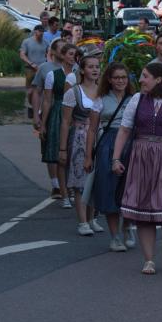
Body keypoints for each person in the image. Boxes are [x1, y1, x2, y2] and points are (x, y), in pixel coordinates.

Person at [111, 62, 162, 275]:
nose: (141, 80)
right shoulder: (137, 100)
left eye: (145, 76)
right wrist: (116, 158)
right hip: (141, 157)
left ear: (158, 80)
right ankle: (148, 259)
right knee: (143, 208)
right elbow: (125, 130)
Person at [90, 62, 136, 251]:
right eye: (116, 77)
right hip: (108, 143)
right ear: (109, 79)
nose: (120, 81)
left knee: (131, 188)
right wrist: (87, 156)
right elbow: (92, 129)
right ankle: (114, 236)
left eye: (123, 77)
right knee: (109, 188)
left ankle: (127, 225)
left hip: (131, 143)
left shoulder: (135, 99)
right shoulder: (100, 99)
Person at [59, 54, 103, 236]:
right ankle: (82, 221)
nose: (94, 70)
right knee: (80, 180)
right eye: (90, 66)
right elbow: (65, 121)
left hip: (100, 136)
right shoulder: (74, 92)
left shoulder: (103, 91)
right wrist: (62, 148)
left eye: (97, 66)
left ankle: (93, 218)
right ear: (82, 70)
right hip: (79, 137)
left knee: (96, 180)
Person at [40, 43, 79, 208]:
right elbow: (47, 100)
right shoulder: (52, 75)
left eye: (75, 55)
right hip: (58, 113)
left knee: (74, 155)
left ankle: (71, 189)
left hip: (76, 113)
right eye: (70, 54)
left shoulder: (80, 74)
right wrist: (43, 123)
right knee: (60, 156)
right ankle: (63, 193)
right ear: (63, 56)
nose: (73, 57)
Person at [32, 39, 66, 198]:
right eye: (61, 48)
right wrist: (36, 116)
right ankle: (55, 185)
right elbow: (37, 92)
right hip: (49, 113)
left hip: (67, 113)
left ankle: (66, 183)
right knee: (50, 148)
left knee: (66, 148)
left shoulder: (74, 68)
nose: (65, 51)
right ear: (52, 51)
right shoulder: (44, 68)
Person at [20, 25, 49, 112]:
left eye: (42, 32)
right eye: (39, 31)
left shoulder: (46, 43)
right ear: (35, 31)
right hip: (30, 69)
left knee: (41, 90)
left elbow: (49, 54)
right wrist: (31, 63)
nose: (41, 33)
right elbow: (22, 54)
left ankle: (39, 108)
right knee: (30, 90)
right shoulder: (27, 42)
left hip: (42, 69)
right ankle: (30, 106)